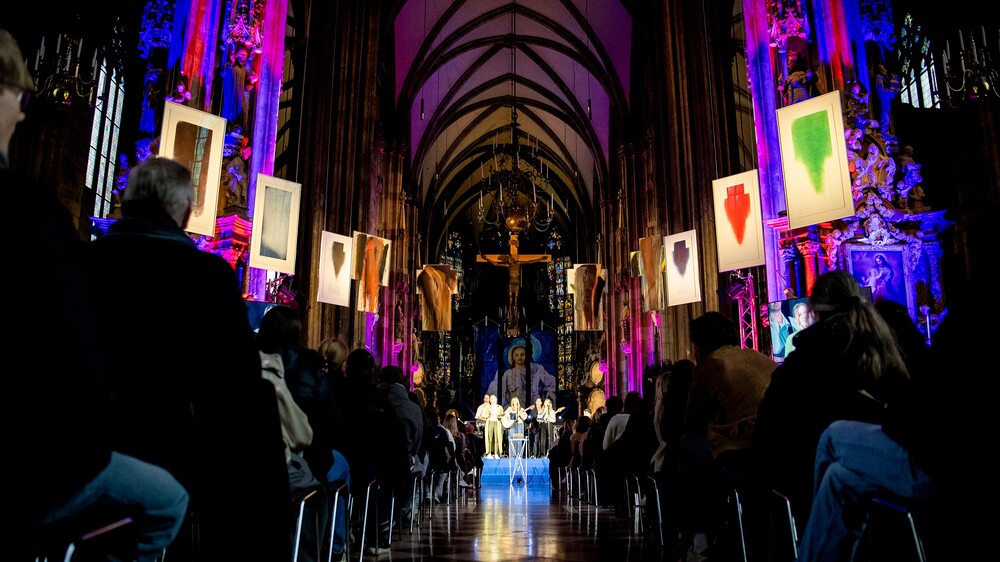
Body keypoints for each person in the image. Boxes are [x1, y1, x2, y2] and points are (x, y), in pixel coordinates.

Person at [4, 28, 189, 562]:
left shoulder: (87, 252)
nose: (23, 114)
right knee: (169, 501)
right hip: (46, 457)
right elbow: (78, 366)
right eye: (20, 97)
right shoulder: (35, 219)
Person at [84, 156, 291, 560]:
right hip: (188, 454)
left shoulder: (87, 263)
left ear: (125, 203)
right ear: (184, 211)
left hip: (95, 440)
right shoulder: (209, 276)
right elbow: (242, 377)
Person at [752, 270, 910, 539]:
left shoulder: (800, 363)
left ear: (813, 312)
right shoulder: (890, 353)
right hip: (889, 496)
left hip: (809, 486)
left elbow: (767, 435)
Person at [677, 312, 777, 559]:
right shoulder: (761, 358)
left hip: (744, 454)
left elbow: (692, 421)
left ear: (699, 345)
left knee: (686, 445)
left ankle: (700, 536)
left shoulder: (710, 366)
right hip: (779, 450)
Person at [485, 394, 504, 459]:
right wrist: (488, 413)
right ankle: (489, 453)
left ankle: (496, 453)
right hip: (490, 422)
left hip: (497, 422)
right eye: (491, 399)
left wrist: (499, 416)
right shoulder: (488, 407)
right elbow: (485, 415)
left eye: (494, 398)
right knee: (490, 438)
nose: (493, 400)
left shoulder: (499, 407)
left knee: (496, 438)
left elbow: (502, 416)